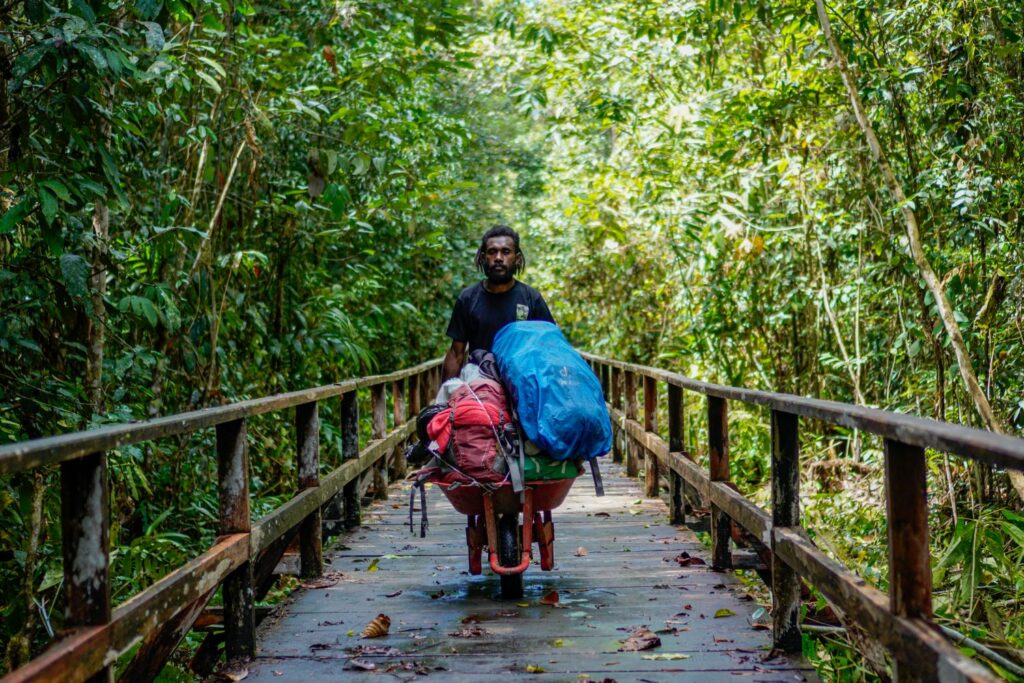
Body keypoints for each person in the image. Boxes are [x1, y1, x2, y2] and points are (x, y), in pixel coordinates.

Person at [442, 225, 555, 380]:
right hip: (480, 386)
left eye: (506, 252)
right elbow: (456, 354)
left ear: (517, 258)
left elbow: (550, 348)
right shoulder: (468, 298)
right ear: (483, 257)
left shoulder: (531, 298)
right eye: (492, 252)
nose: (499, 258)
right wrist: (445, 397)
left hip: (522, 385)